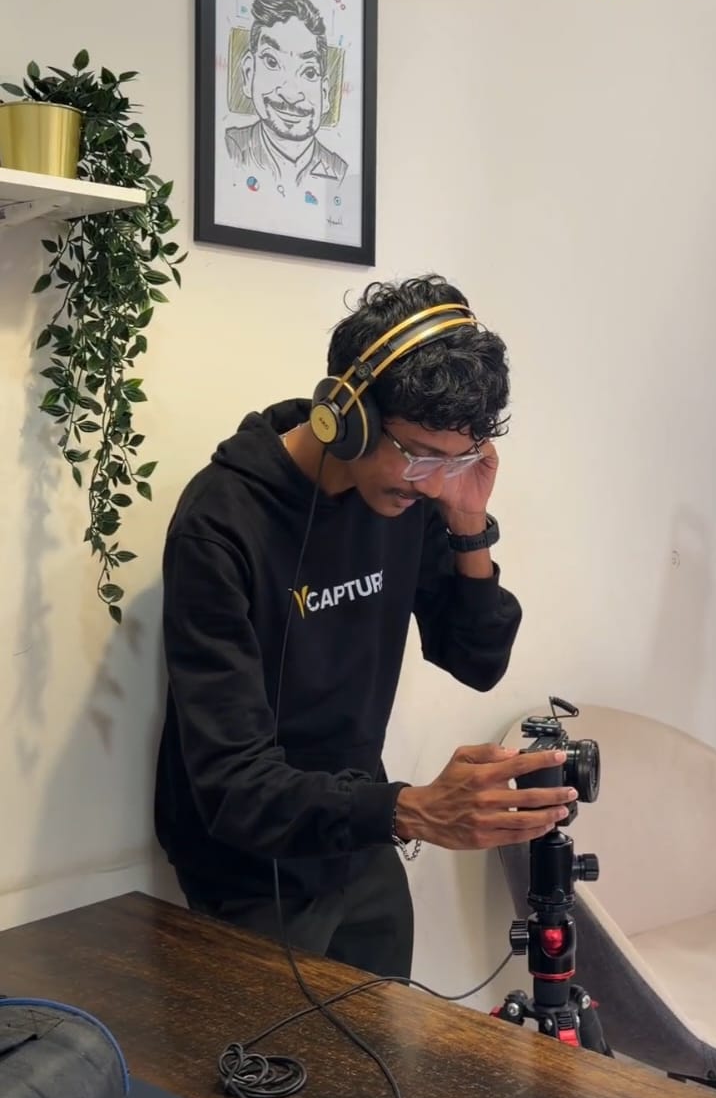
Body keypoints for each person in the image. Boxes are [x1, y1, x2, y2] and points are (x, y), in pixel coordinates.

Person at [155, 275, 574, 980]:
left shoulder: (412, 500)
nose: (432, 482)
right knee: (274, 1051)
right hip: (249, 865)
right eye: (419, 454)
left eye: (455, 459)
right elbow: (231, 784)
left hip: (364, 831)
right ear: (344, 415)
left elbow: (475, 659)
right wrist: (414, 811)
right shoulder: (221, 523)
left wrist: (469, 526)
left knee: (380, 1039)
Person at [225, 0, 347, 196]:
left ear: (324, 94)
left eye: (309, 72)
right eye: (272, 62)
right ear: (248, 73)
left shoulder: (341, 173)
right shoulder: (228, 149)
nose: (290, 94)